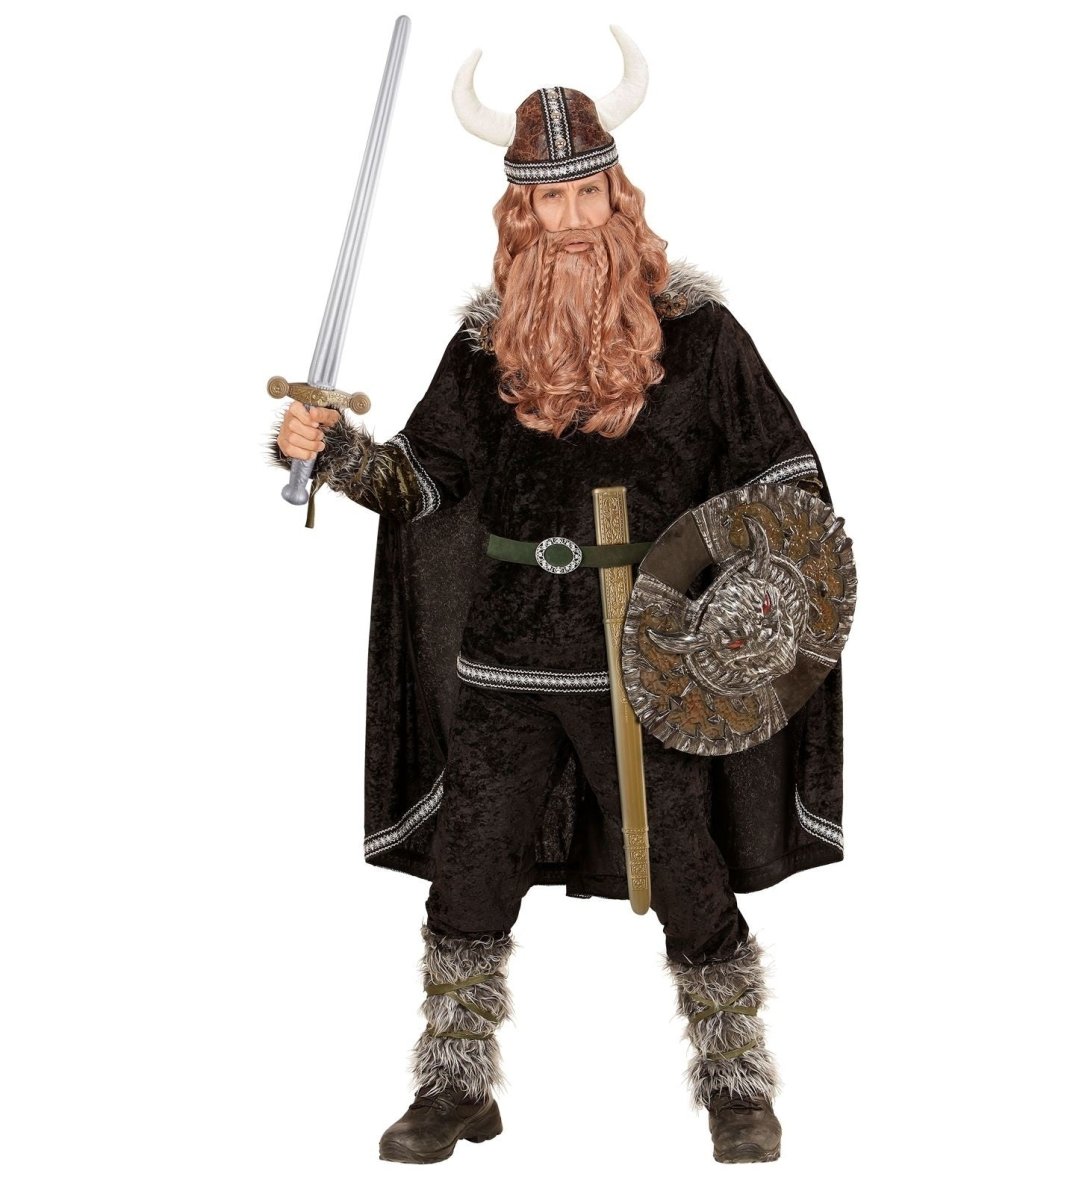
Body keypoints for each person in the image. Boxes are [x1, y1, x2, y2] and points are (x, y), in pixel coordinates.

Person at [270, 29, 845, 1166]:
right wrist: (331, 451)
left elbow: (786, 482)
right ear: (519, 215)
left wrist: (734, 614)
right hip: (506, 656)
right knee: (470, 866)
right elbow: (419, 482)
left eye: (588, 193)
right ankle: (454, 1083)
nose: (572, 219)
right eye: (549, 201)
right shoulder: (485, 348)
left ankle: (735, 1081)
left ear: (617, 198)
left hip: (651, 656)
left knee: (682, 863)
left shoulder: (701, 339)